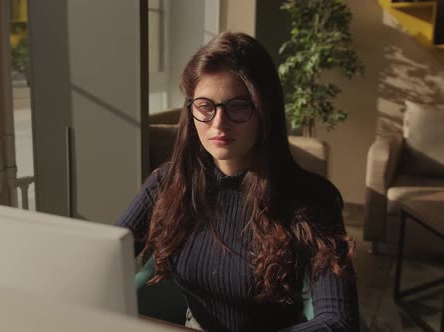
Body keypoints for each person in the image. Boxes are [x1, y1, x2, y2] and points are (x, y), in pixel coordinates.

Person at [117, 32, 359, 332]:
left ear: (264, 111)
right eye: (206, 106)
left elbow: (339, 320)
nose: (218, 123)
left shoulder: (312, 198)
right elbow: (105, 257)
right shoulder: (167, 183)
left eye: (238, 106)